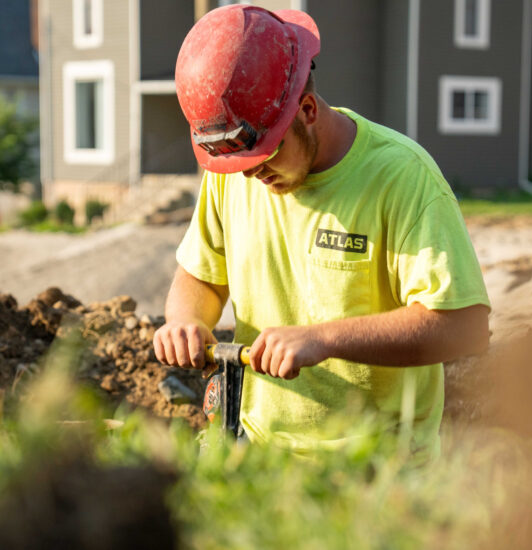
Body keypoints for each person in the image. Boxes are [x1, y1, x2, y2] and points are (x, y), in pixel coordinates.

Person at [153, 5, 490, 460]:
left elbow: (464, 327)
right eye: (240, 167)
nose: (252, 178)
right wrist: (186, 322)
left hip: (380, 466)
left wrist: (325, 339)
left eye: (266, 159)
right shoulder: (234, 172)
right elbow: (201, 274)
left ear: (307, 110)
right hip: (259, 455)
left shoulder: (402, 178)